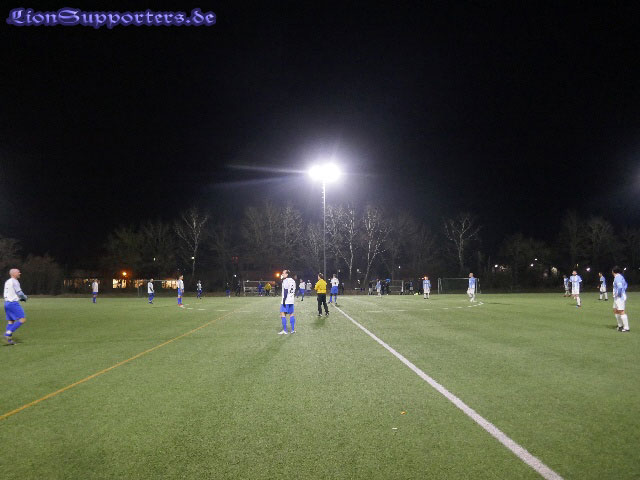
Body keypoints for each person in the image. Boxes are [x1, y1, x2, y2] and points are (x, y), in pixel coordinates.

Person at [4, 269, 27, 345]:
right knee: (22, 319)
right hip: (13, 303)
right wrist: (24, 297)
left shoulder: (8, 281)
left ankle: (8, 341)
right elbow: (19, 292)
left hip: (7, 303)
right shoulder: (15, 281)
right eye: (18, 272)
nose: (20, 273)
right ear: (13, 274)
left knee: (11, 321)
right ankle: (7, 333)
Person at [277, 269, 296, 335]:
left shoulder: (286, 280)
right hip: (291, 300)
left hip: (286, 300)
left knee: (282, 313)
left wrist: (284, 301)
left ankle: (285, 330)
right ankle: (292, 330)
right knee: (291, 314)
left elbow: (285, 291)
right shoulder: (293, 280)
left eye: (283, 273)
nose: (282, 274)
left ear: (287, 274)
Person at [612, 266, 630, 332]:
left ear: (613, 271)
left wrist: (618, 294)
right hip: (617, 297)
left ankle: (626, 328)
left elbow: (620, 287)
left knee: (621, 311)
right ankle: (620, 325)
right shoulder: (620, 277)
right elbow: (626, 285)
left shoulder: (618, 278)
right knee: (615, 310)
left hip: (619, 297)